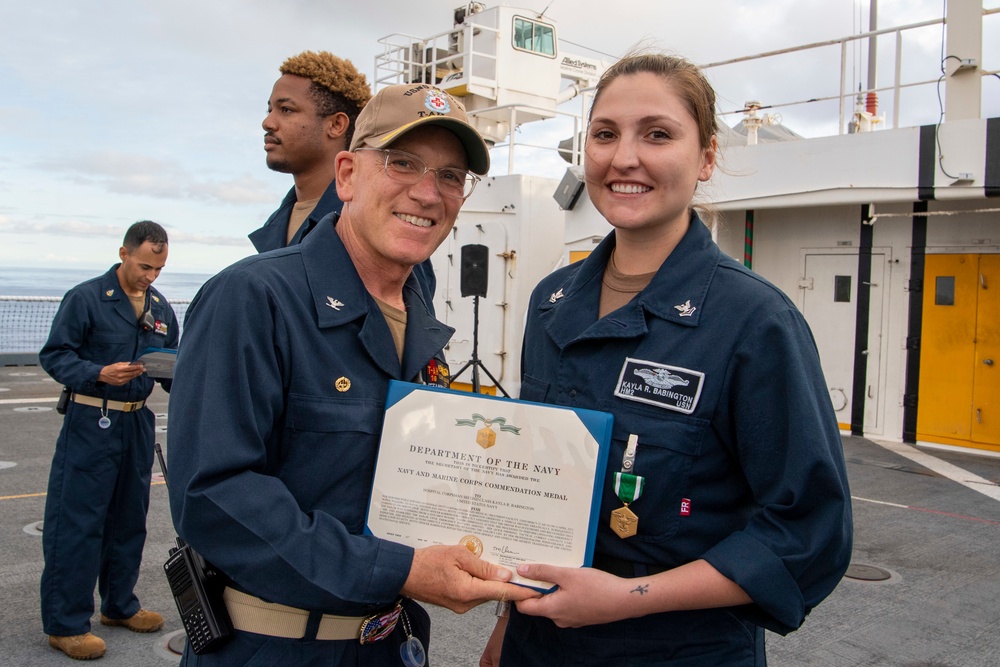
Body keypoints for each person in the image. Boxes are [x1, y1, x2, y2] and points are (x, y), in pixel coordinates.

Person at [481, 53, 853, 666]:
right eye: (604, 134)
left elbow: (807, 532)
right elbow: (536, 492)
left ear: (706, 157)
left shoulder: (754, 322)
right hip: (537, 644)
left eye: (657, 134)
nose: (624, 157)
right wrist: (505, 629)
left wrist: (627, 597)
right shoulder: (551, 301)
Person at [167, 83, 537, 666]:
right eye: (402, 163)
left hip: (391, 643)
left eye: (450, 176)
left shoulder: (418, 305)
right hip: (277, 649)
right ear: (347, 174)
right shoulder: (253, 297)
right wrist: (399, 568)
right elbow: (213, 496)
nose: (427, 192)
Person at [39, 221, 178, 660]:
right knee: (78, 523)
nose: (150, 277)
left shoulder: (159, 307)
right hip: (91, 419)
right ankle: (66, 624)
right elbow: (55, 354)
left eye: (158, 269)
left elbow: (176, 363)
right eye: (143, 266)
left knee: (128, 520)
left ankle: (119, 605)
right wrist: (97, 372)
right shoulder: (86, 298)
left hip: (137, 424)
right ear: (123, 253)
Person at [251, 50, 438, 309]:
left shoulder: (378, 226)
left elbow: (410, 336)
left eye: (286, 110)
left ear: (337, 125)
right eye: (270, 109)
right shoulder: (279, 221)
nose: (268, 122)